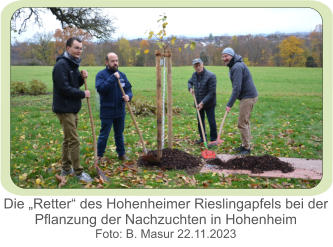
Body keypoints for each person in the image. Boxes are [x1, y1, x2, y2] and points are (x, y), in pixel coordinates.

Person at [52, 37, 93, 182]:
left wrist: (82, 78)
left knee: (68, 139)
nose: (79, 51)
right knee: (74, 140)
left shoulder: (73, 64)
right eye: (76, 48)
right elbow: (64, 88)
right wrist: (83, 94)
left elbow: (74, 84)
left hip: (72, 108)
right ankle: (78, 172)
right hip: (64, 108)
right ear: (68, 48)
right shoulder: (61, 65)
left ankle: (66, 168)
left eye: (81, 48)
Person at [95, 52, 133, 161]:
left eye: (116, 60)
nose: (115, 63)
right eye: (112, 61)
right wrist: (112, 78)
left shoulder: (122, 75)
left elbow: (129, 89)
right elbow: (101, 89)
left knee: (119, 134)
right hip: (107, 111)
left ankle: (121, 154)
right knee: (104, 134)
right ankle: (99, 156)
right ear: (107, 62)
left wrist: (128, 96)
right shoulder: (101, 75)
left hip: (120, 110)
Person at [222, 47, 258, 155]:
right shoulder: (234, 65)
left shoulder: (237, 67)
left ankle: (246, 149)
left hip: (248, 97)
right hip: (247, 96)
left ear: (232, 56)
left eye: (226, 56)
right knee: (245, 122)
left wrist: (229, 104)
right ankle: (245, 145)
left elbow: (237, 88)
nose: (224, 58)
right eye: (223, 56)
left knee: (242, 123)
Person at [188, 58, 217, 145]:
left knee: (211, 121)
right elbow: (189, 82)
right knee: (200, 121)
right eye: (195, 65)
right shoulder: (194, 75)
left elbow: (212, 92)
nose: (197, 67)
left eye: (199, 65)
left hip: (209, 103)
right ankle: (202, 138)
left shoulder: (211, 76)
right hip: (198, 103)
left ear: (202, 64)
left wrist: (203, 103)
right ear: (194, 67)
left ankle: (213, 139)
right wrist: (190, 88)